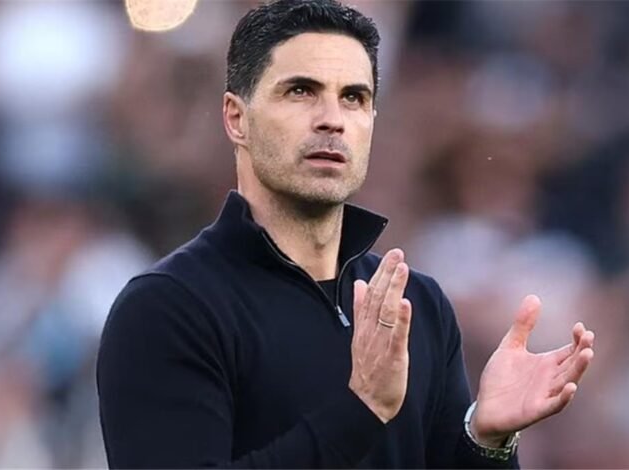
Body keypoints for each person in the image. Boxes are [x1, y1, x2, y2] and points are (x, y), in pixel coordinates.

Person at [96, 0, 595, 468]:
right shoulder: (169, 307)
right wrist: (361, 411)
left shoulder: (417, 305)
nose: (332, 120)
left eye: (353, 98)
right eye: (300, 91)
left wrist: (485, 441)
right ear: (236, 118)